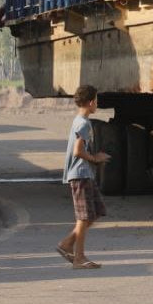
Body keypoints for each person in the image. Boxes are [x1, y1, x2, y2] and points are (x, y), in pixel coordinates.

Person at [56, 85, 111, 270]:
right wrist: (96, 158)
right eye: (96, 100)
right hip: (80, 175)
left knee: (95, 212)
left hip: (85, 174)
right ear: (91, 102)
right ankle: (79, 258)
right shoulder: (84, 124)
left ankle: (66, 244)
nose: (97, 104)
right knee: (84, 217)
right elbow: (78, 151)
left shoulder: (80, 121)